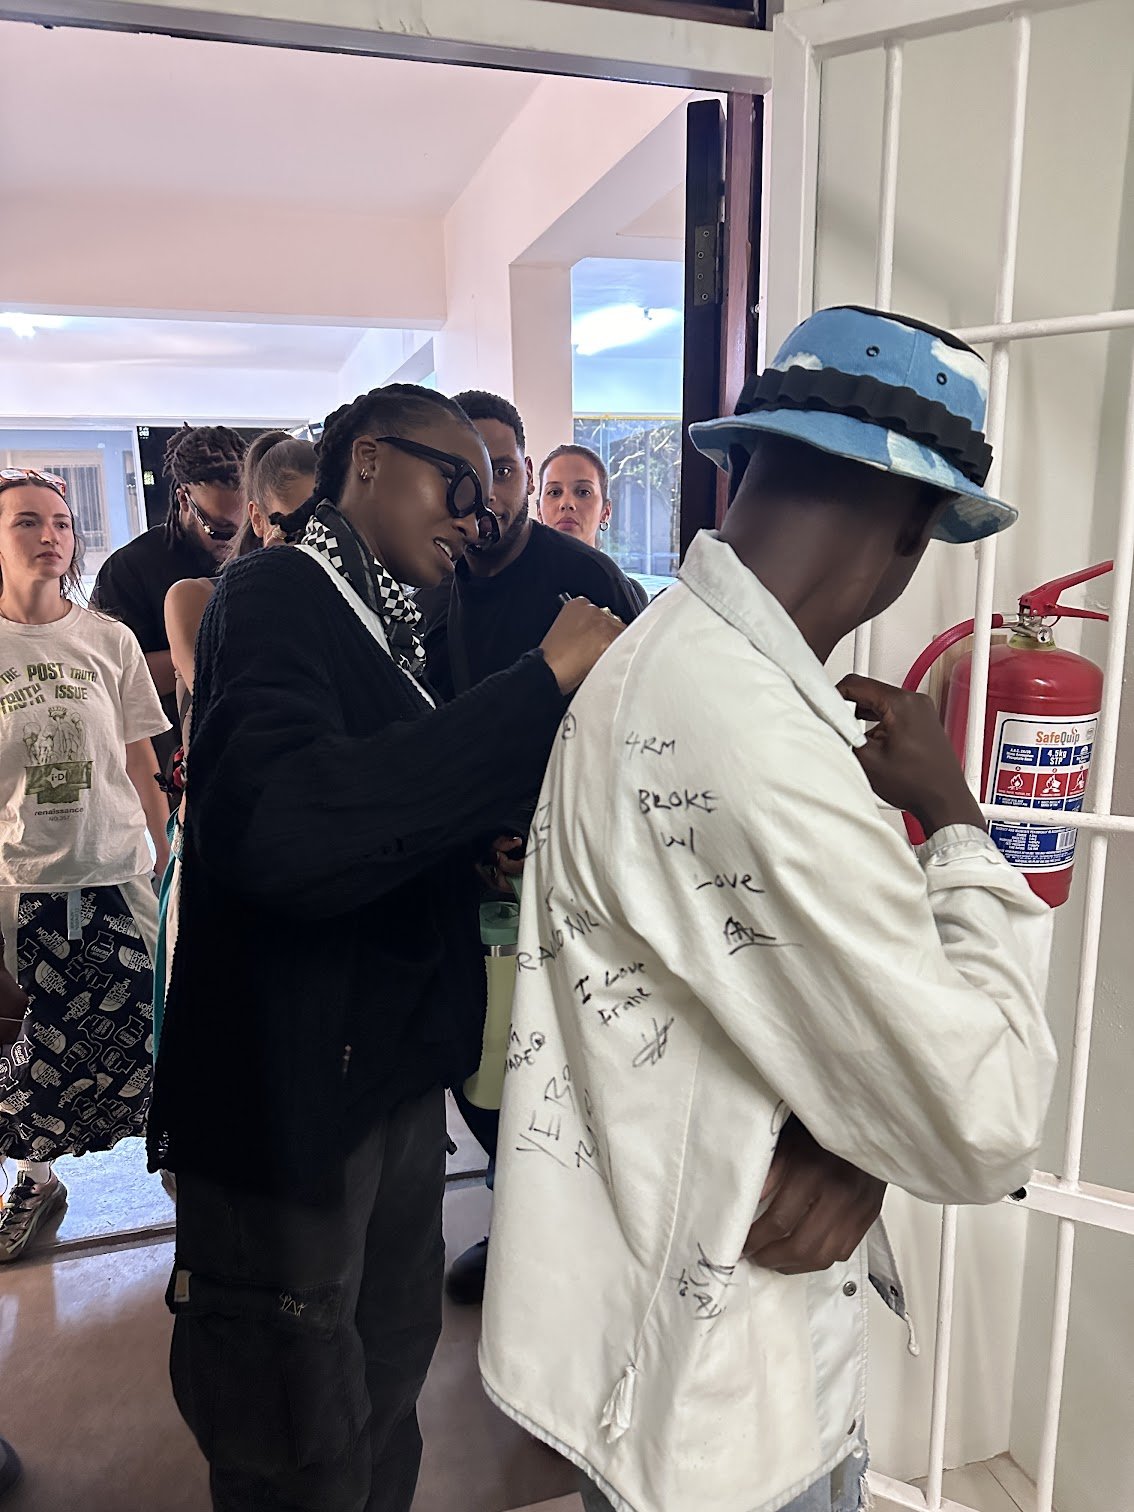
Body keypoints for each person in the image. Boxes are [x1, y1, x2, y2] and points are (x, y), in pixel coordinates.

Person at [480, 307, 1058, 1512]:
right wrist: (955, 820)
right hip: (721, 1410)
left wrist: (865, 1131)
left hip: (675, 1352)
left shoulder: (668, 662)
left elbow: (770, 1006)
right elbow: (985, 1115)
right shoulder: (749, 739)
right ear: (916, 528)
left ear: (738, 461)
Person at [147, 383, 622, 1512]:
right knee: (297, 1416)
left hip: (388, 1074)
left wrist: (468, 850)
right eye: (456, 482)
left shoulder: (395, 624)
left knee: (385, 1380)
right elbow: (287, 825)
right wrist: (538, 682)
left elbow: (380, 806)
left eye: (492, 493)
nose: (478, 515)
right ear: (366, 460)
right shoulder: (275, 594)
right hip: (292, 1092)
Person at [413, 392, 643, 1305]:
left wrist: (548, 830)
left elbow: (637, 735)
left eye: (505, 470)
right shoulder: (424, 586)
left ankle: (575, 1248)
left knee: (575, 1064)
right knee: (479, 1066)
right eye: (466, 474)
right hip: (461, 875)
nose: (489, 494)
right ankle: (518, 1220)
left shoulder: (586, 581)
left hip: (577, 877)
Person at [0, 470, 170, 1263]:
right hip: (24, 886)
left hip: (119, 875)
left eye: (62, 523)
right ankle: (36, 1180)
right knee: (36, 1046)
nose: (51, 536)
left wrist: (164, 860)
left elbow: (141, 763)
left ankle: (182, 1166)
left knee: (154, 1032)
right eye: (27, 522)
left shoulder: (108, 640)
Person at [153, 432, 317, 1061]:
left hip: (309, 854)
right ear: (259, 517)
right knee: (214, 1047)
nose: (313, 541)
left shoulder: (348, 613)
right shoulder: (195, 597)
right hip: (219, 851)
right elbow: (233, 701)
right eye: (295, 522)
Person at [92, 425, 247, 783]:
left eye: (244, 529)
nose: (233, 543)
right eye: (220, 530)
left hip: (250, 748)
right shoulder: (128, 570)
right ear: (183, 499)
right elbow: (113, 678)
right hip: (169, 763)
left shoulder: (256, 553)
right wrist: (190, 651)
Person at [538, 443, 649, 607]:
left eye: (583, 492)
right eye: (554, 492)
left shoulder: (626, 593)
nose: (567, 503)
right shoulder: (515, 587)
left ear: (606, 511)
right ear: (538, 511)